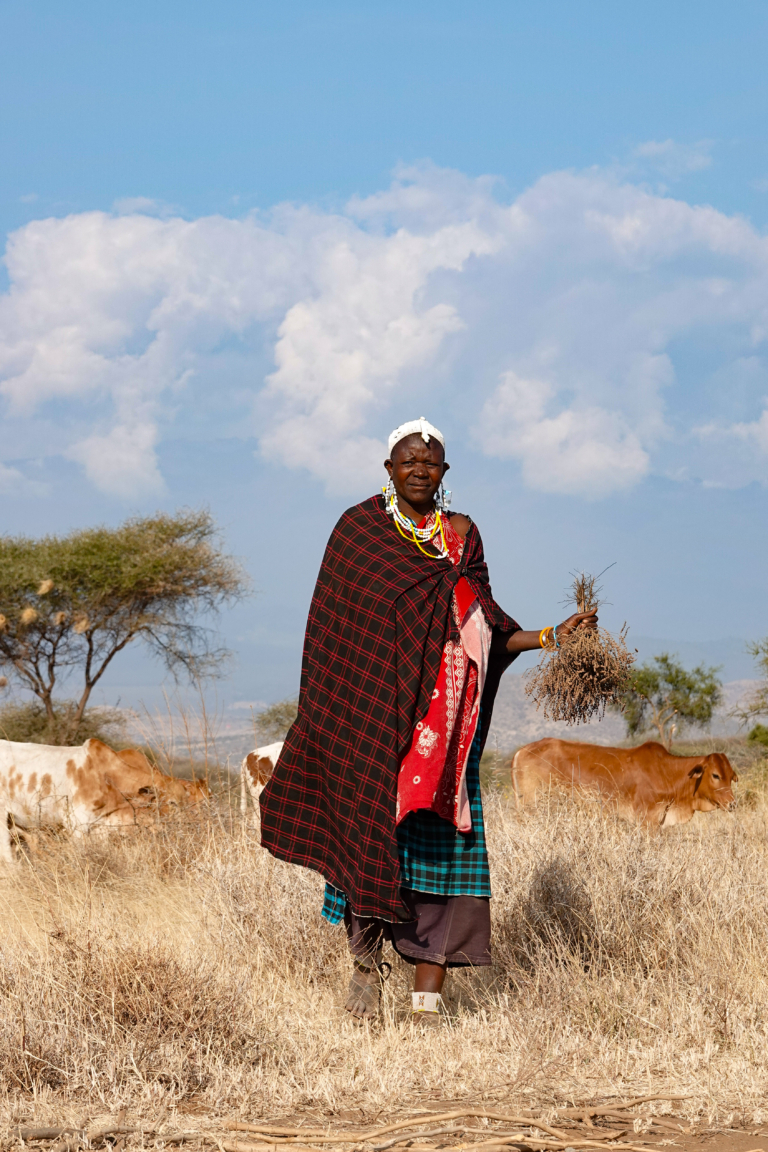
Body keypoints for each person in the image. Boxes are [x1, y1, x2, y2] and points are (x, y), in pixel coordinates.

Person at [259, 417, 597, 1026]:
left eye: (432, 461)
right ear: (388, 468)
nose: (420, 469)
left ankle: (426, 1005)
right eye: (409, 460)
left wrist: (551, 635)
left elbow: (487, 622)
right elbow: (334, 630)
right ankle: (365, 972)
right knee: (372, 834)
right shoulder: (359, 531)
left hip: (448, 720)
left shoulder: (462, 536)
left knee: (446, 847)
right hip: (375, 714)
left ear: (445, 472)